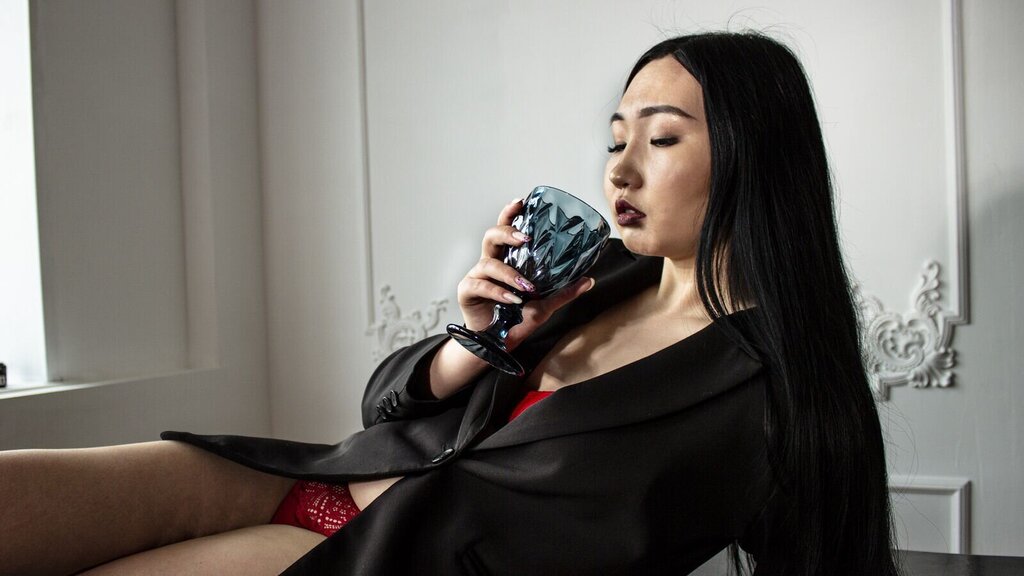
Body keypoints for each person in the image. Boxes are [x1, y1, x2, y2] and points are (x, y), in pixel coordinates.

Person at [0, 31, 900, 575]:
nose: (619, 170)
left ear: (753, 154)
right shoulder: (590, 276)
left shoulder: (778, 388)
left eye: (661, 139)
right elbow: (383, 406)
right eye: (615, 139)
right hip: (312, 479)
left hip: (374, 559)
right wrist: (478, 340)